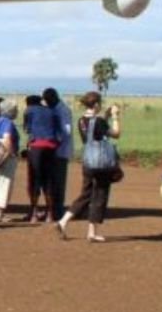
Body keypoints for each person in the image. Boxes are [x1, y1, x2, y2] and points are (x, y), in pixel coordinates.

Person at [56, 91, 123, 241]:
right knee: (100, 194)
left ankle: (63, 221)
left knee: (86, 194)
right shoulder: (98, 121)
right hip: (101, 162)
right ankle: (91, 232)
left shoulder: (81, 120)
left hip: (88, 160)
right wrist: (115, 116)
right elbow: (116, 133)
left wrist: (104, 117)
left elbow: (94, 133)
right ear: (97, 104)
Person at [23, 93, 61, 222]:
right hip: (51, 148)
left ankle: (33, 213)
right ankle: (50, 214)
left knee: (34, 180)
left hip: (36, 147)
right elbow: (59, 133)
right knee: (48, 181)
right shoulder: (52, 112)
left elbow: (27, 129)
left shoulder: (29, 110)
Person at [44, 88, 74, 222]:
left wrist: (53, 141)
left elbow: (66, 132)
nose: (46, 102)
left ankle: (58, 210)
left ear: (54, 97)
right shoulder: (53, 109)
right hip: (52, 151)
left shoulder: (63, 110)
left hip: (60, 152)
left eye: (48, 99)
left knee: (59, 182)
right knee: (51, 182)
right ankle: (52, 209)